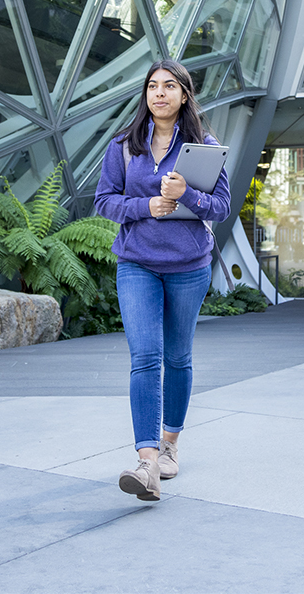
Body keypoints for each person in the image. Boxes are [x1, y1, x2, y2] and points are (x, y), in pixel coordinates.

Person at [94, 59, 231, 501]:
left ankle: (170, 445)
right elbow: (104, 201)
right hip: (137, 263)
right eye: (153, 86)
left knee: (177, 357)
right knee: (145, 357)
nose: (159, 93)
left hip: (189, 266)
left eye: (169, 86)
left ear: (184, 96)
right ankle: (147, 462)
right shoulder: (123, 146)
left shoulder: (204, 147)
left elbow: (221, 206)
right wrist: (145, 207)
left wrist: (184, 194)